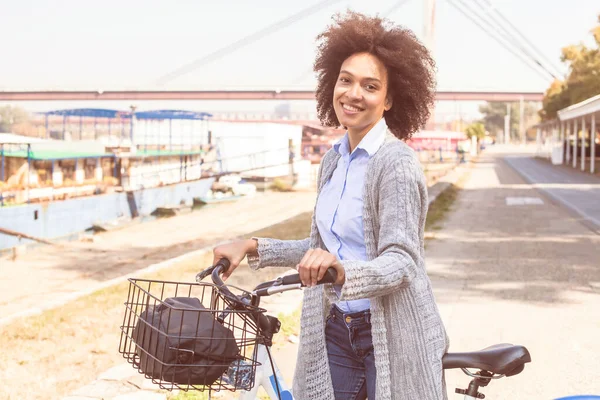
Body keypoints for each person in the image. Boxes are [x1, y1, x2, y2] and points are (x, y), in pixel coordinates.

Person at [213, 11, 449, 400]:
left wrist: (342, 273)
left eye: (370, 86)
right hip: (339, 328)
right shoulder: (333, 160)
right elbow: (322, 249)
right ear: (331, 85)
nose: (354, 94)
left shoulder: (396, 163)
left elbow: (402, 260)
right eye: (346, 80)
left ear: (389, 99)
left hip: (390, 331)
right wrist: (253, 246)